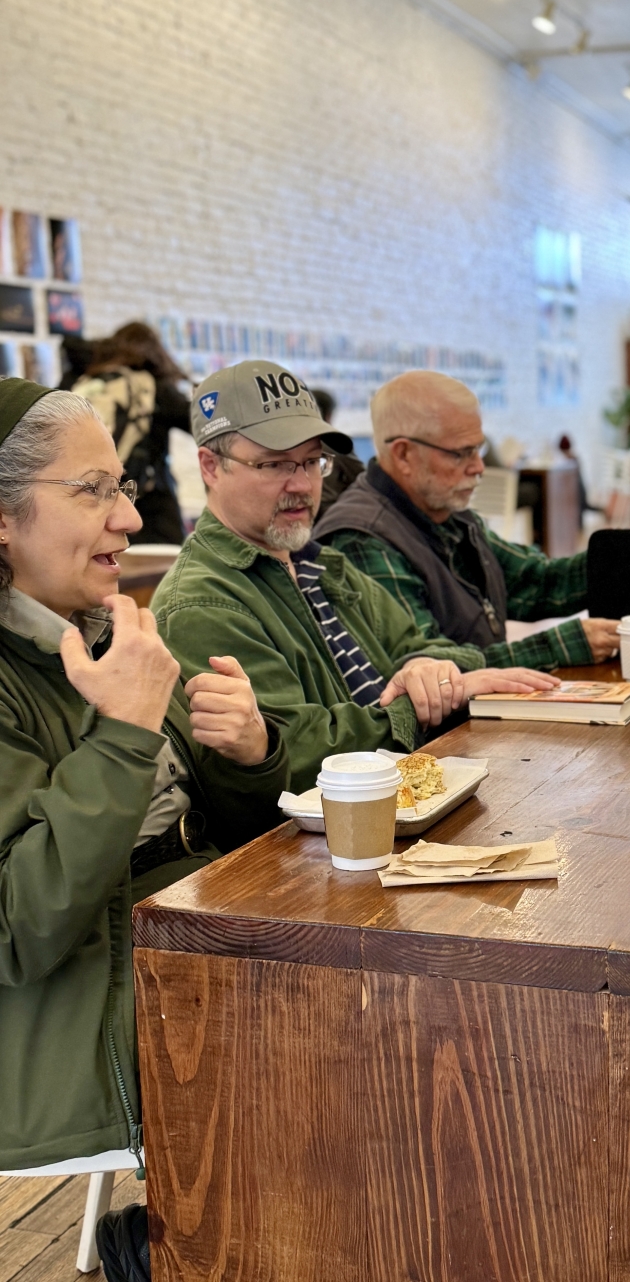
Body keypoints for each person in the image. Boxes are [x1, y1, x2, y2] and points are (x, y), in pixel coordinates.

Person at [0, 379, 288, 1267]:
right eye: (92, 490)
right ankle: (181, 1247)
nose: (129, 517)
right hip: (77, 1009)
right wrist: (125, 733)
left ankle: (181, 1243)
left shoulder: (98, 628)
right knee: (357, 1043)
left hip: (188, 925)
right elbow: (22, 927)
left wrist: (249, 754)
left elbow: (214, 828)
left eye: (122, 486)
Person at [151, 360, 555, 791]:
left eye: (312, 462)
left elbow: (417, 644)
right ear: (211, 467)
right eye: (275, 465)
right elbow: (297, 750)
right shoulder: (200, 604)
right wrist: (430, 701)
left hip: (409, 793)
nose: (302, 485)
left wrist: (425, 668)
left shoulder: (318, 563)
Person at [314, 370, 621, 670]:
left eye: (479, 449)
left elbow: (536, 583)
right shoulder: (361, 539)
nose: (479, 467)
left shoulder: (447, 512)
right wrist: (558, 645)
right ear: (404, 455)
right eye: (460, 453)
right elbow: (430, 669)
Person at [70, 321, 193, 545]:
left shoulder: (81, 381)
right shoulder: (152, 386)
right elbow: (199, 423)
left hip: (90, 504)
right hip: (152, 510)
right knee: (163, 566)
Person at [310, 386, 365, 521]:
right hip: (330, 516)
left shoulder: (293, 443)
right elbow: (363, 478)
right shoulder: (335, 443)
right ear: (329, 415)